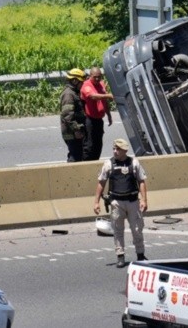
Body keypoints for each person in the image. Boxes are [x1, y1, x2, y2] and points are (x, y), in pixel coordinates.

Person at [93, 138, 149, 268]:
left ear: (125, 150)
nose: (115, 151)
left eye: (118, 149)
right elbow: (101, 182)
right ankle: (120, 255)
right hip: (117, 202)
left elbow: (141, 181)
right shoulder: (108, 164)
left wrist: (144, 200)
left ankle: (140, 255)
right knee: (118, 230)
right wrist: (96, 202)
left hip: (132, 201)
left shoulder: (134, 163)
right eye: (114, 149)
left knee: (137, 229)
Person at [80, 66, 114, 161]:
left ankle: (95, 163)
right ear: (90, 76)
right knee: (89, 145)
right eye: (95, 77)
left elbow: (104, 101)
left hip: (99, 120)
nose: (97, 79)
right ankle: (86, 165)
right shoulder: (86, 85)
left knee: (98, 144)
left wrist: (109, 115)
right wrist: (108, 95)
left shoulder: (101, 84)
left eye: (99, 76)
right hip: (89, 120)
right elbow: (93, 96)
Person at [60, 68, 87, 162]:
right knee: (75, 157)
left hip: (74, 132)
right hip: (71, 133)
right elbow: (67, 115)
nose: (82, 84)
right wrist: (76, 130)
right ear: (75, 81)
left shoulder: (74, 92)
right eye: (81, 82)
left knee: (77, 154)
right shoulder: (69, 95)